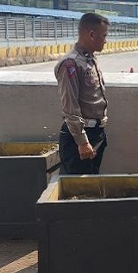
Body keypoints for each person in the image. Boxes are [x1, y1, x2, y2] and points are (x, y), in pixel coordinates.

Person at [55, 12, 110, 174]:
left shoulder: (90, 60)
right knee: (78, 190)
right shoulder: (71, 63)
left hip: (96, 132)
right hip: (79, 137)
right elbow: (70, 106)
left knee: (92, 185)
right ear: (91, 35)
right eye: (104, 36)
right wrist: (82, 142)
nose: (106, 40)